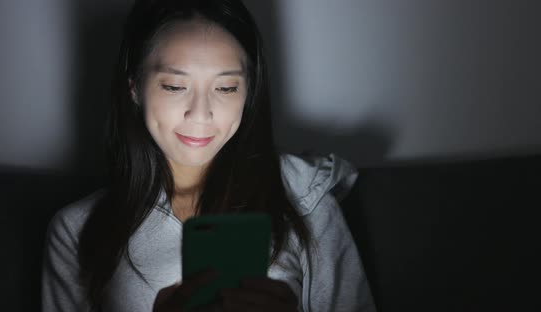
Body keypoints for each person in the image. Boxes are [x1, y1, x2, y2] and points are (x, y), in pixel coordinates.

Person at [41, 0, 376, 311]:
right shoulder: (77, 230)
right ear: (134, 88)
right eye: (174, 86)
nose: (200, 114)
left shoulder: (305, 194)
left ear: (249, 93)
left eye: (226, 88)